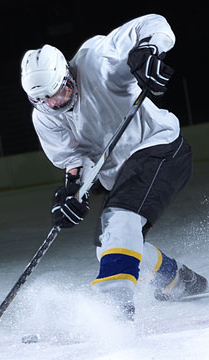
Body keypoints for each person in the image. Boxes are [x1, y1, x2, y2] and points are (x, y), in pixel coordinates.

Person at [20, 14, 207, 319]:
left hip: (160, 149)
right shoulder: (45, 115)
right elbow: (73, 159)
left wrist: (148, 52)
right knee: (108, 247)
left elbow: (153, 24)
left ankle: (114, 306)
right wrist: (70, 192)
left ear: (67, 75)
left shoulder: (98, 62)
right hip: (122, 173)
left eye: (57, 94)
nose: (53, 104)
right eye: (43, 100)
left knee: (120, 219)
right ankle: (179, 280)